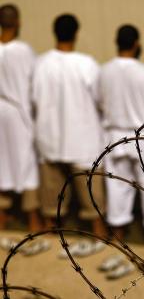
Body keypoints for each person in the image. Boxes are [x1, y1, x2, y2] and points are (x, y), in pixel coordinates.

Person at [32, 14, 107, 248]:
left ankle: (50, 246)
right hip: (83, 141)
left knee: (51, 206)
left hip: (49, 139)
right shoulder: (88, 64)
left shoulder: (40, 64)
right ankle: (100, 239)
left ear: (54, 32)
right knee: (93, 203)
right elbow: (100, 100)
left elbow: (33, 99)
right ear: (76, 33)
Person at [100, 25, 144, 246]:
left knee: (117, 186)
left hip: (115, 136)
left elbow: (99, 102)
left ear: (116, 41)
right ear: (137, 43)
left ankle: (118, 232)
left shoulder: (104, 71)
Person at [0, 4, 41, 232]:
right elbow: (33, 84)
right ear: (17, 22)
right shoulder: (24, 51)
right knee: (26, 163)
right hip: (19, 113)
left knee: (2, 162)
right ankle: (32, 217)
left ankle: (3, 214)